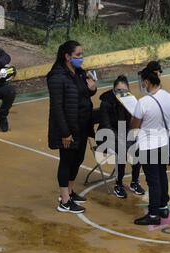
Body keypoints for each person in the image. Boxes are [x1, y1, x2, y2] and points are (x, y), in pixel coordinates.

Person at [47, 40, 97, 214]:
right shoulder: (56, 76)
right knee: (67, 161)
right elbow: (57, 107)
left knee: (78, 159)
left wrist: (93, 88)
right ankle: (64, 201)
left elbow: (85, 92)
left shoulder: (79, 72)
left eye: (81, 55)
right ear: (67, 56)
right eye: (78, 55)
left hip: (82, 124)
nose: (81, 58)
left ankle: (70, 191)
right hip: (68, 127)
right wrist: (65, 132)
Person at [132, 66, 170, 226]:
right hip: (164, 142)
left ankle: (153, 214)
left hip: (148, 145)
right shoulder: (169, 97)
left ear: (146, 82)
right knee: (162, 175)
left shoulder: (143, 102)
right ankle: (163, 207)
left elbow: (134, 125)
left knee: (153, 180)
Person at [98, 75, 145, 199]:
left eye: (124, 90)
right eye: (118, 90)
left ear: (128, 90)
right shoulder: (106, 103)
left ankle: (135, 182)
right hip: (106, 136)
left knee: (138, 147)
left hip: (123, 134)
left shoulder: (130, 102)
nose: (121, 93)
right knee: (122, 151)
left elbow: (133, 124)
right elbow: (106, 126)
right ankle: (118, 185)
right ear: (113, 90)